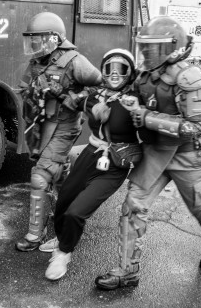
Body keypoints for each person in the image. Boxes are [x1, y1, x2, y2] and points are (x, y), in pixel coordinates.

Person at [94, 16, 201, 291]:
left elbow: (193, 128)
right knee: (133, 206)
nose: (147, 54)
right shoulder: (145, 73)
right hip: (155, 151)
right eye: (145, 48)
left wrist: (147, 117)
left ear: (173, 48)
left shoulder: (188, 76)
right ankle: (128, 271)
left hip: (188, 154)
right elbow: (124, 90)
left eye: (154, 49)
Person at [42, 49, 142, 280]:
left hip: (115, 164)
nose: (115, 74)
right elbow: (71, 100)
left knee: (77, 212)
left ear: (131, 72)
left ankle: (63, 253)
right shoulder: (95, 95)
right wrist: (54, 89)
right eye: (110, 68)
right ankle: (62, 236)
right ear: (103, 71)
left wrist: (139, 113)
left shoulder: (136, 101)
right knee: (64, 199)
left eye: (122, 69)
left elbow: (151, 132)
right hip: (90, 155)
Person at [15, 12, 102, 252]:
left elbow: (104, 85)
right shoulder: (36, 63)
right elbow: (23, 89)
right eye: (32, 40)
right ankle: (67, 212)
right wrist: (38, 91)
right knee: (60, 175)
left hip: (65, 127)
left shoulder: (74, 61)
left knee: (40, 175)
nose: (34, 45)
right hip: (43, 126)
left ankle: (35, 234)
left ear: (53, 39)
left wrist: (71, 97)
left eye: (38, 39)